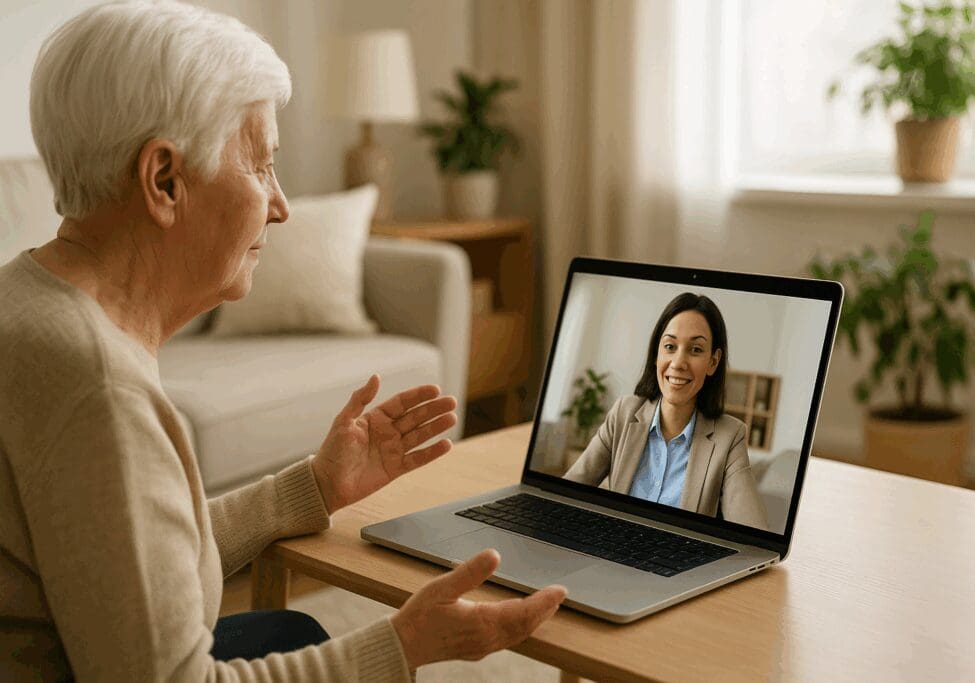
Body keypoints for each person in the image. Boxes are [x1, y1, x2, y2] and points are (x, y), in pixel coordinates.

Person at [0, 3, 565, 680]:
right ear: (164, 181)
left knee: (291, 627)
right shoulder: (99, 388)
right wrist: (405, 644)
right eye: (262, 165)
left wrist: (314, 487)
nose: (281, 204)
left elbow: (125, 550)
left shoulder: (28, 298)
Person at [564, 293, 768, 529]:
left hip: (679, 562)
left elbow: (753, 535)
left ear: (713, 362)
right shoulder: (624, 413)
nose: (678, 362)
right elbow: (566, 493)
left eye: (695, 350)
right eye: (670, 346)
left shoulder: (730, 436)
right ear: (657, 353)